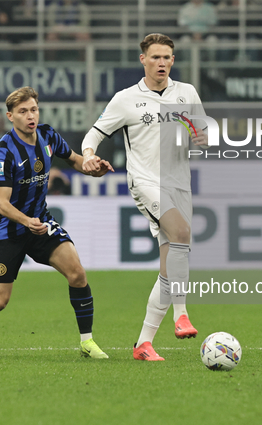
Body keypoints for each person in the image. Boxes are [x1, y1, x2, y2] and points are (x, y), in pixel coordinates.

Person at [0, 86, 113, 359]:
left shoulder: (48, 135)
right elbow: (2, 203)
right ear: (11, 116)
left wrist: (93, 168)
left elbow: (75, 160)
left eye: (33, 109)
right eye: (23, 112)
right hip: (8, 229)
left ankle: (87, 342)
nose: (30, 116)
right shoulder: (4, 152)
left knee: (77, 274)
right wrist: (26, 221)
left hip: (40, 223)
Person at [81, 33, 208, 361]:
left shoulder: (187, 93)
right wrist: (88, 156)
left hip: (180, 184)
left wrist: (201, 138)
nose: (162, 63)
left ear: (173, 61)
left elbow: (203, 135)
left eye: (167, 57)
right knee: (181, 234)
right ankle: (181, 314)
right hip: (146, 182)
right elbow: (94, 134)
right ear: (143, 60)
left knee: (170, 262)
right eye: (155, 57)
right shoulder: (126, 99)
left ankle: (143, 344)